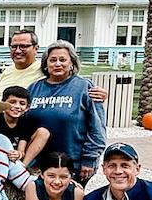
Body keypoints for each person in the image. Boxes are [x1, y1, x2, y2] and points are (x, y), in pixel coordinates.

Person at [26, 41, 106, 184]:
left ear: (72, 64)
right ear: (45, 64)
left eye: (63, 60)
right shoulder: (34, 88)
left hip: (73, 163)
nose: (57, 64)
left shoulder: (84, 87)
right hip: (39, 164)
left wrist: (90, 158)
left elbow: (97, 127)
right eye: (53, 60)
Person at [0, 30, 107, 103]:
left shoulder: (47, 69)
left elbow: (73, 85)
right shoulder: (6, 73)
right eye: (14, 46)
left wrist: (100, 94)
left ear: (36, 48)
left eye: (23, 46)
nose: (17, 51)